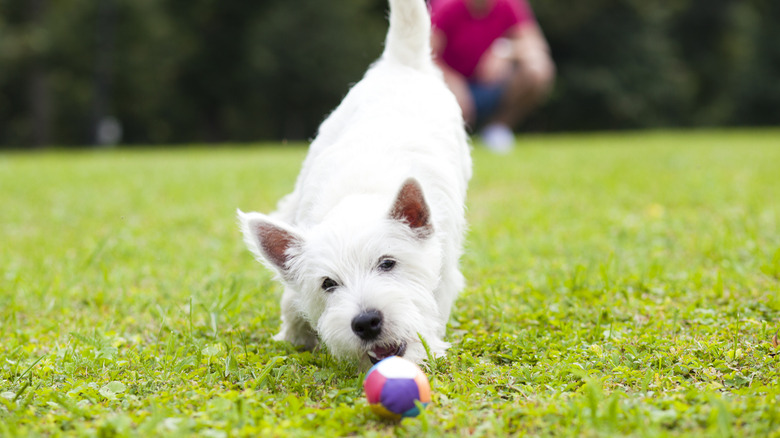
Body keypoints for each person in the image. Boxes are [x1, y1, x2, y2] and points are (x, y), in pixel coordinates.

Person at [430, 0, 555, 152]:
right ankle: (450, 137)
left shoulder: (510, 4)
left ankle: (496, 129)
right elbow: (426, 56)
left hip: (493, 87)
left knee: (537, 68)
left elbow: (536, 45)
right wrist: (451, 81)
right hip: (453, 89)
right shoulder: (447, 6)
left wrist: (504, 50)